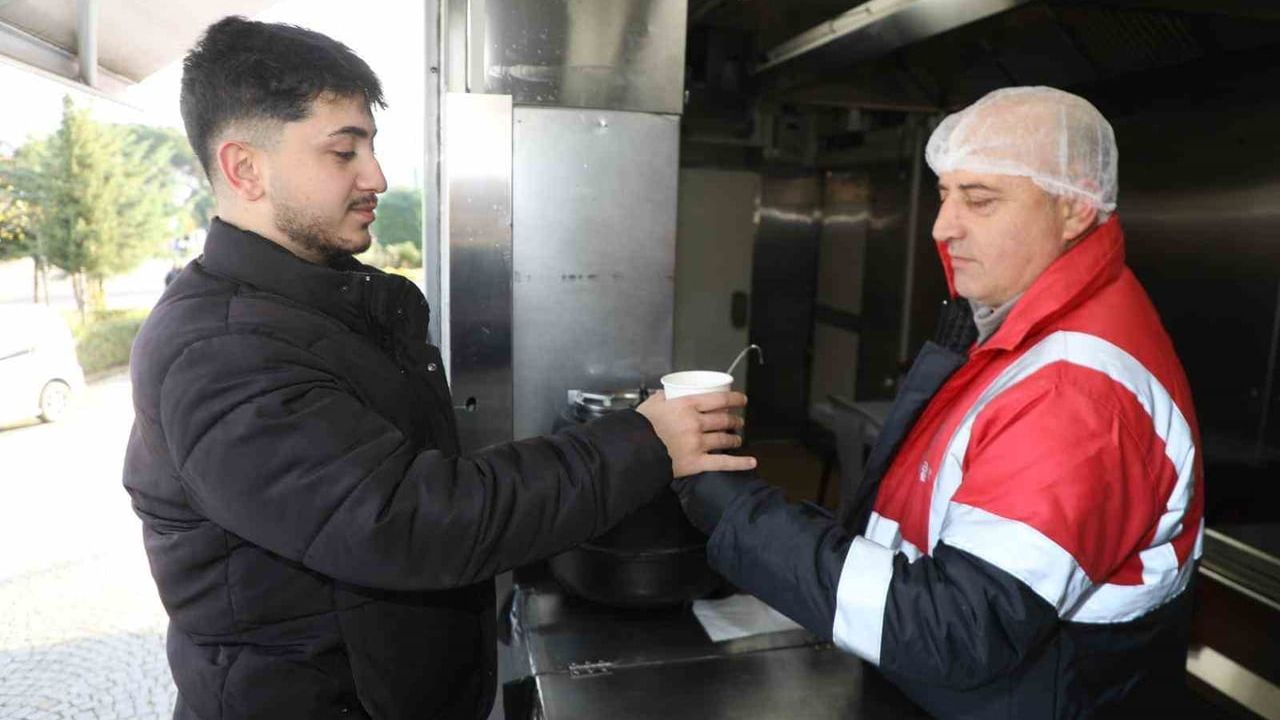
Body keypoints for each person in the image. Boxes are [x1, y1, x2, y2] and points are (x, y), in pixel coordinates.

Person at [122, 16, 755, 719]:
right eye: (343, 151)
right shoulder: (220, 352)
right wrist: (646, 442)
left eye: (371, 146)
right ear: (246, 168)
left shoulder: (323, 309)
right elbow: (409, 521)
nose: (376, 177)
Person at [674, 86, 1203, 718]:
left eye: (979, 200)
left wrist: (734, 508)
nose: (942, 227)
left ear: (1075, 208)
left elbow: (954, 629)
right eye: (945, 194)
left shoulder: (1077, 394)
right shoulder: (1016, 330)